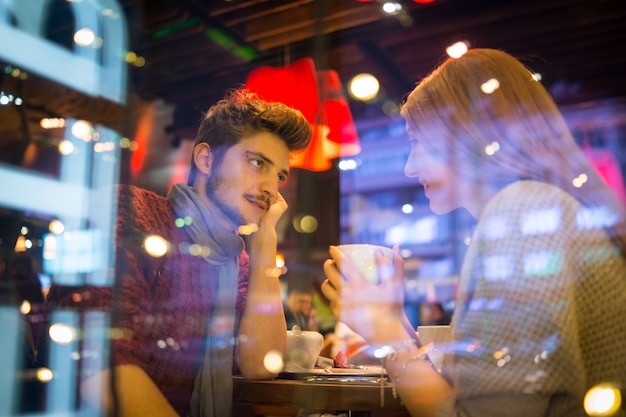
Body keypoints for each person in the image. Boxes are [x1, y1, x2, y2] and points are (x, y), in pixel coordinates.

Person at [321, 48, 626, 417]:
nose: (408, 167)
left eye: (417, 142)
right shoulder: (532, 208)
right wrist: (395, 321)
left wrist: (387, 334)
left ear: (468, 135)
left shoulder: (523, 212)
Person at [45, 89, 311, 417]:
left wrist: (266, 240)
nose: (273, 187)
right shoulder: (130, 211)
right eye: (257, 163)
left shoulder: (235, 259)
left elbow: (261, 364)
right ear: (206, 159)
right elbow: (99, 360)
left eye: (280, 175)